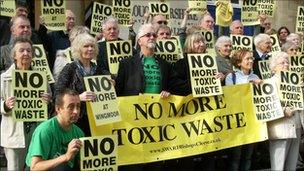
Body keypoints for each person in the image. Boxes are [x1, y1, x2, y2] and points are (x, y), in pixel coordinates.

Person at [0, 36, 51, 170]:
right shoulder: (4, 78)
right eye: (21, 50)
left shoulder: (41, 77)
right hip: (14, 133)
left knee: (36, 167)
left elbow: (50, 101)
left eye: (29, 51)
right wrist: (5, 105)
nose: (26, 54)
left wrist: (48, 100)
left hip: (36, 132)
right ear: (14, 56)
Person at [26, 89, 84, 171]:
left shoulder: (79, 132)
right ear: (58, 109)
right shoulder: (45, 130)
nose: (76, 111)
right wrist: (66, 156)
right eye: (71, 107)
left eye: (78, 106)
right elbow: (34, 167)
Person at [55, 33, 99, 136]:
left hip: (96, 120)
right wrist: (78, 98)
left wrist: (111, 82)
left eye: (92, 46)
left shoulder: (99, 69)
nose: (90, 49)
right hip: (76, 120)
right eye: (86, 46)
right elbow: (58, 94)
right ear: (78, 49)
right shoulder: (69, 69)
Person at [225, 49, 261, 171]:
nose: (250, 61)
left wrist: (262, 84)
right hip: (238, 121)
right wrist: (248, 84)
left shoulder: (255, 76)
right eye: (247, 59)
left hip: (252, 120)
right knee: (236, 156)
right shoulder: (232, 77)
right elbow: (231, 97)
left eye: (252, 58)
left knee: (248, 156)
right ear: (239, 62)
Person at [267, 51, 302, 171]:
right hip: (280, 127)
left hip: (295, 125)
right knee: (279, 165)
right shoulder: (270, 82)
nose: (286, 65)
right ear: (274, 67)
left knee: (292, 164)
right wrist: (283, 111)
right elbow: (267, 105)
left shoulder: (294, 82)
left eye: (287, 62)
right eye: (282, 63)